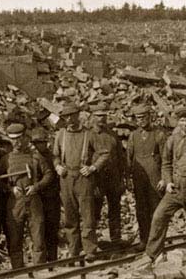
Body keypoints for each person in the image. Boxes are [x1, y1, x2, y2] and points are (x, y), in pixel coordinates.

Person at [137, 107, 186, 274]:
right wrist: (168, 182)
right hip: (175, 188)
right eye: (182, 121)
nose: (185, 124)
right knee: (159, 216)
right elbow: (166, 163)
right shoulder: (172, 139)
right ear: (178, 122)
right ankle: (151, 254)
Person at [53, 103, 109, 260]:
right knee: (70, 216)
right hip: (66, 177)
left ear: (78, 115)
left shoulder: (88, 134)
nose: (69, 119)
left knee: (87, 215)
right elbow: (55, 156)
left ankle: (90, 250)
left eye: (72, 115)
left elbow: (104, 154)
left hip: (84, 178)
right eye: (66, 116)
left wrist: (92, 168)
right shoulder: (61, 135)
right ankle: (74, 250)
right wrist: (57, 166)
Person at [0, 124, 53, 267]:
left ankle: (39, 269)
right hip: (15, 202)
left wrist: (36, 186)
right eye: (13, 139)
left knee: (38, 237)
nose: (16, 142)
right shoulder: (6, 159)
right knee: (15, 238)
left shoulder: (35, 157)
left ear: (24, 138)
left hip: (34, 200)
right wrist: (10, 189)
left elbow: (48, 174)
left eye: (18, 139)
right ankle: (18, 272)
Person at [126, 105, 167, 251]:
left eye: (144, 117)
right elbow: (129, 159)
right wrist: (128, 178)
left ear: (150, 117)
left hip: (155, 178)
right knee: (141, 209)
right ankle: (144, 239)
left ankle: (157, 241)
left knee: (156, 209)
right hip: (139, 177)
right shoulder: (133, 136)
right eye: (138, 118)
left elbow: (166, 159)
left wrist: (164, 179)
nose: (141, 120)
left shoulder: (159, 134)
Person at [89, 102, 127, 244]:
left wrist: (122, 178)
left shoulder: (112, 135)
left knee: (115, 209)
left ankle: (116, 238)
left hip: (113, 177)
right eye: (98, 116)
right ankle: (94, 240)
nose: (101, 119)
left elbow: (120, 157)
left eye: (104, 116)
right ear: (93, 117)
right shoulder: (89, 135)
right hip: (97, 178)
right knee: (95, 210)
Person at [31, 127, 61, 261]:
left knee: (52, 228)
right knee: (39, 229)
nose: (39, 145)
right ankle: (41, 260)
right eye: (37, 143)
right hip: (37, 198)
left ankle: (53, 259)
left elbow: (53, 172)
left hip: (51, 197)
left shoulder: (52, 156)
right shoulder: (31, 157)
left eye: (41, 142)